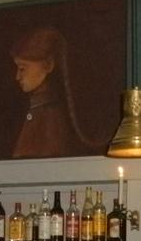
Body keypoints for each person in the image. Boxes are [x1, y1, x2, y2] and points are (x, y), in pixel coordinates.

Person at [9, 26, 96, 159]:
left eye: (22, 68)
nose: (17, 77)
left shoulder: (51, 116)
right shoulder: (37, 108)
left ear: (48, 65)